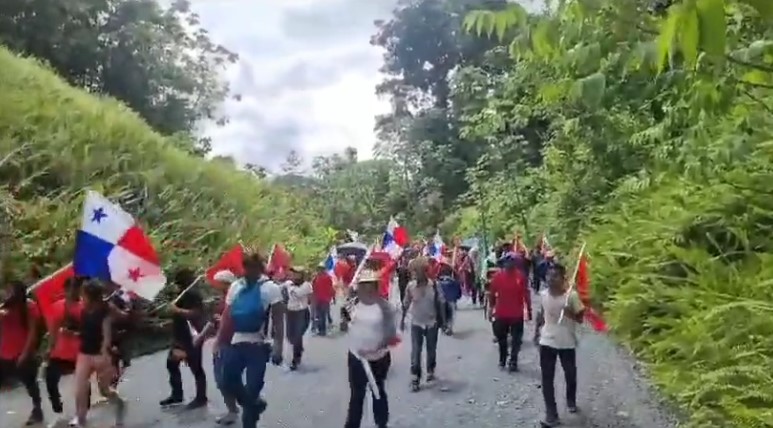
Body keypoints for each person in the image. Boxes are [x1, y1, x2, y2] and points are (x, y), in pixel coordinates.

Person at [216, 252, 285, 428]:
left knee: (253, 387)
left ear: (260, 269)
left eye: (252, 268)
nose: (248, 271)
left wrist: (278, 346)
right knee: (228, 380)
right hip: (236, 342)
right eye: (246, 268)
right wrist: (219, 341)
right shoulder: (236, 287)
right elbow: (227, 316)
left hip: (259, 345)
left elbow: (278, 320)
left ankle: (250, 420)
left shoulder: (270, 289)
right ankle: (253, 404)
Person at [344, 268, 398, 428]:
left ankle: (381, 423)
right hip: (356, 357)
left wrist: (374, 349)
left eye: (370, 285)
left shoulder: (386, 307)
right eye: (363, 285)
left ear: (376, 287)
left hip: (378, 358)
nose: (367, 289)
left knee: (378, 391)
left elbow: (391, 336)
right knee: (357, 395)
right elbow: (347, 326)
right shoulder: (352, 305)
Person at [535, 263, 583, 428]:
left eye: (555, 276)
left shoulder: (571, 296)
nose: (550, 279)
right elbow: (541, 314)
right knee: (547, 378)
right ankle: (551, 413)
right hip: (547, 340)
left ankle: (571, 399)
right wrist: (536, 331)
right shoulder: (543, 295)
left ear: (563, 279)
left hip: (567, 341)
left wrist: (569, 312)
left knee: (570, 373)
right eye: (549, 275)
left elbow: (580, 318)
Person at [72, 280, 125, 428]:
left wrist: (104, 353)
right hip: (85, 353)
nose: (81, 297)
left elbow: (106, 335)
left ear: (90, 296)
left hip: (101, 354)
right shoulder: (83, 310)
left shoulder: (106, 310)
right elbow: (84, 331)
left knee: (105, 390)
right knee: (80, 387)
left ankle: (120, 404)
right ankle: (80, 419)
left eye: (83, 294)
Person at [194, 270, 240, 425]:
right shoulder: (222, 301)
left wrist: (225, 321)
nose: (216, 286)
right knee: (221, 378)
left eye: (219, 283)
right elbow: (213, 321)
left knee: (224, 379)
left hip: (233, 342)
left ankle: (233, 410)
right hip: (221, 342)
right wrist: (201, 336)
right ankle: (232, 408)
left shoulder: (238, 300)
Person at [160, 268, 207, 409]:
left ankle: (201, 397)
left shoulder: (193, 294)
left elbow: (196, 314)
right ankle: (177, 394)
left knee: (196, 367)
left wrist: (177, 311)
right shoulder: (181, 294)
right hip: (179, 336)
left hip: (192, 335)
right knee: (171, 363)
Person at [0, 279, 43, 426]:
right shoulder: (4, 307)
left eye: (10, 289)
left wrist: (25, 353)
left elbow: (32, 332)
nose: (7, 292)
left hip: (23, 351)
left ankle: (37, 410)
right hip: (5, 352)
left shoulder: (29, 307)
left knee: (30, 383)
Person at [401, 256, 446, 392]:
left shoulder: (435, 286)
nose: (418, 274)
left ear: (426, 272)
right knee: (416, 351)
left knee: (431, 349)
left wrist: (443, 322)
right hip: (416, 323)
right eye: (416, 272)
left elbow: (441, 303)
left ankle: (430, 370)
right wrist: (402, 320)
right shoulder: (410, 287)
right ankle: (415, 377)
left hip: (432, 322)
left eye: (420, 271)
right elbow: (405, 304)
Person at [45, 277, 84, 426]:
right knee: (50, 379)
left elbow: (91, 331)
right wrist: (50, 348)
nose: (73, 291)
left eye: (76, 288)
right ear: (65, 290)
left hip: (80, 352)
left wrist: (74, 334)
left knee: (81, 384)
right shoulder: (57, 307)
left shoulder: (85, 307)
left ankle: (80, 414)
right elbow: (53, 331)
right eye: (71, 288)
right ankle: (58, 411)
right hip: (60, 352)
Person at [488, 252, 532, 372]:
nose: (509, 263)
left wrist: (529, 310)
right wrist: (490, 309)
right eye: (507, 261)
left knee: (516, 340)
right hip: (501, 313)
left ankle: (513, 361)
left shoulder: (520, 277)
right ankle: (502, 359)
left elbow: (526, 294)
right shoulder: (497, 277)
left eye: (512, 261)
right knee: (502, 339)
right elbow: (492, 294)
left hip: (516, 314)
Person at [284, 266, 312, 370]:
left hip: (301, 312)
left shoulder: (306, 285)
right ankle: (299, 347)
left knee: (297, 335)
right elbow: (279, 288)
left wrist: (290, 287)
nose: (295, 275)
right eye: (293, 273)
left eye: (297, 273)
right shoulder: (288, 283)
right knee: (289, 336)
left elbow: (297, 294)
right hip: (290, 311)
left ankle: (296, 359)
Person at [311, 262, 335, 336]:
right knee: (318, 314)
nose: (320, 271)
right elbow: (313, 288)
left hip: (325, 299)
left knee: (322, 315)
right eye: (319, 269)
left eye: (321, 269)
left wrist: (333, 297)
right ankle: (319, 329)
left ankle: (322, 330)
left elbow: (330, 288)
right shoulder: (316, 278)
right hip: (317, 299)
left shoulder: (327, 278)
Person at [437, 264, 461, 335]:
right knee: (452, 314)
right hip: (451, 300)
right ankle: (449, 327)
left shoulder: (438, 282)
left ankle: (444, 326)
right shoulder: (454, 282)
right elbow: (458, 293)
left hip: (441, 301)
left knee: (441, 313)